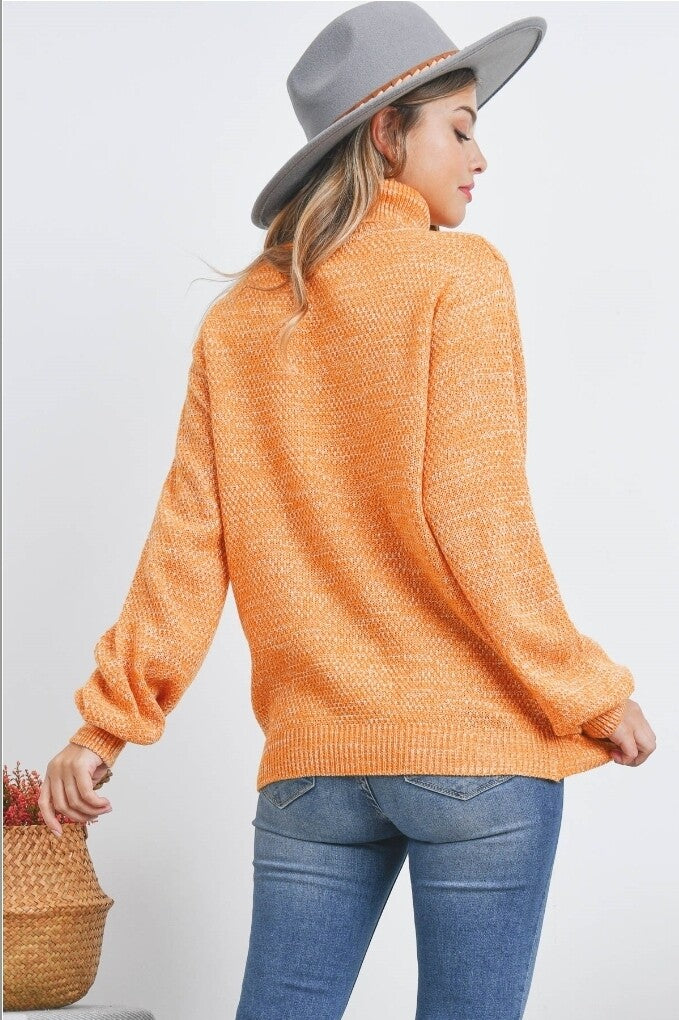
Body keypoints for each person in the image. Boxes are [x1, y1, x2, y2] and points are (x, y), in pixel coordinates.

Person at [39, 3, 656, 1017]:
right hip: (473, 759)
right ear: (385, 134)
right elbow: (481, 520)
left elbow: (188, 543)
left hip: (313, 768)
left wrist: (101, 732)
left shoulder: (239, 322)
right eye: (459, 128)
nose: (480, 157)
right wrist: (588, 690)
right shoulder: (458, 278)